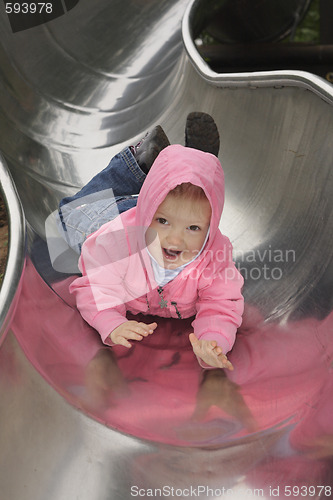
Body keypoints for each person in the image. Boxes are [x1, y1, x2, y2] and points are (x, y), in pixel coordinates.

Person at [61, 113, 244, 369]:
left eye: (193, 228)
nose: (176, 238)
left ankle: (194, 165)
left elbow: (221, 304)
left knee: (171, 205)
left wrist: (214, 342)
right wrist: (111, 322)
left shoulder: (214, 255)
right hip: (112, 219)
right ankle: (135, 164)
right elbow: (96, 285)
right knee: (68, 215)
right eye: (165, 224)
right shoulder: (116, 242)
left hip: (156, 210)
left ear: (210, 228)